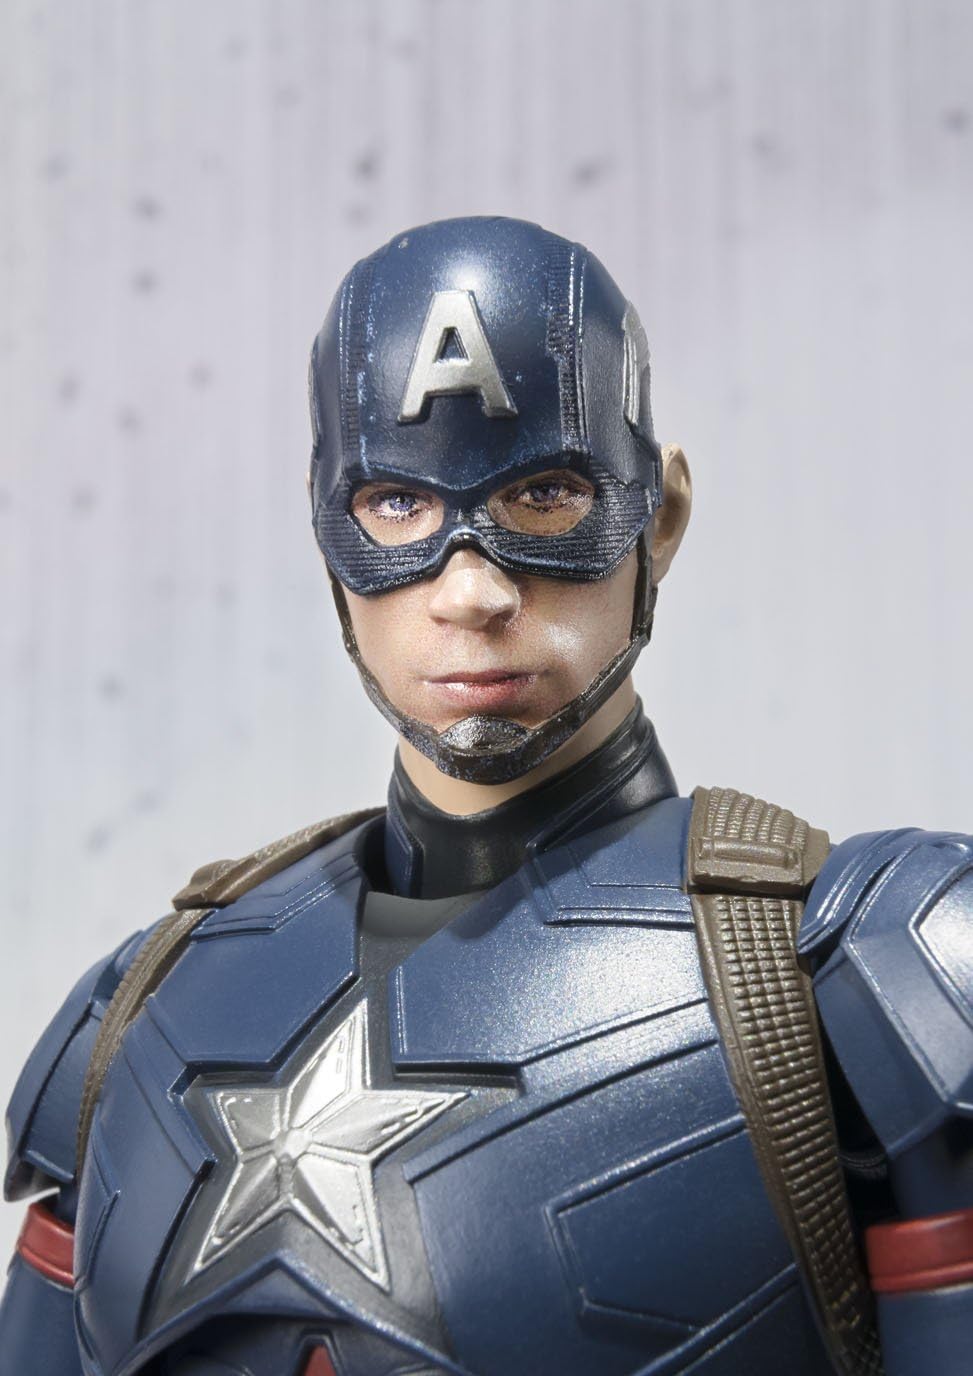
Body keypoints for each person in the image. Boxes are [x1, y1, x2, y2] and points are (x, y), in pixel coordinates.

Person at [1, 216, 970, 1376]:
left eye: (544, 494)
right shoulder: (146, 1000)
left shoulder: (867, 968)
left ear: (658, 514)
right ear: (325, 526)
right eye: (396, 505)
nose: (469, 589)